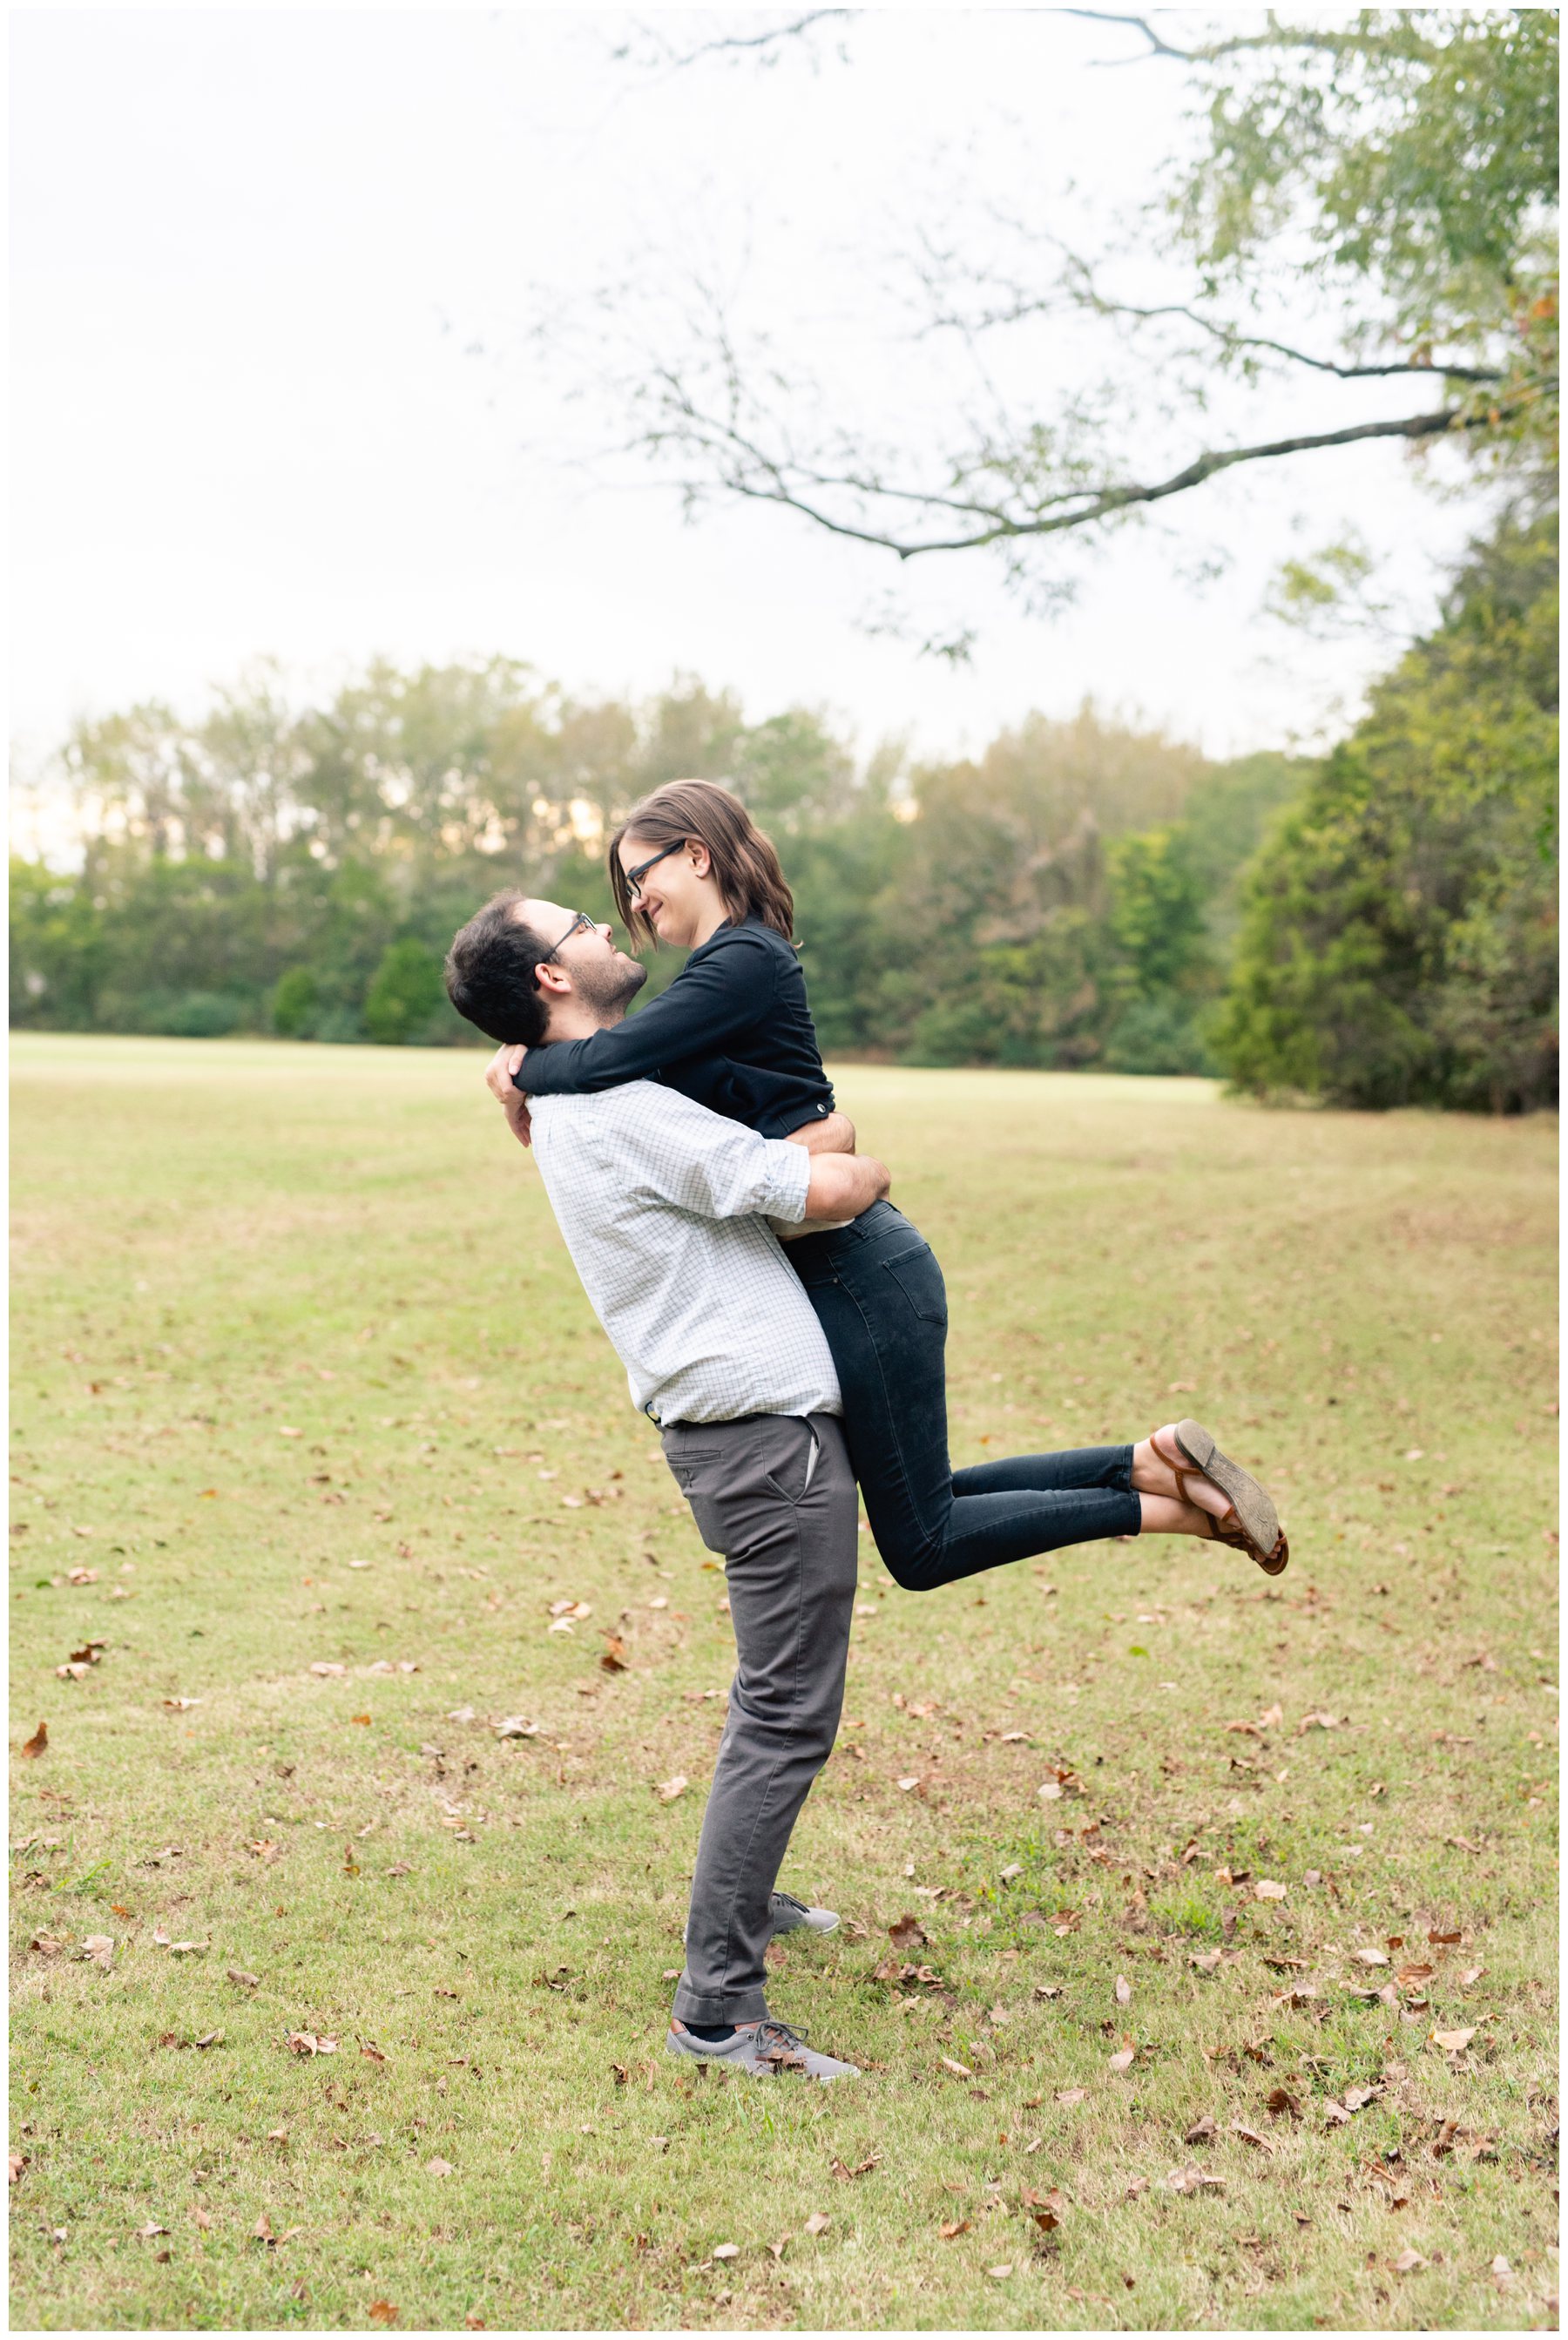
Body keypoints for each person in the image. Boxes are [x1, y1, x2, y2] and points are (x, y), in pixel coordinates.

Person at [475, 780, 1288, 1584]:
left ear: (695, 854)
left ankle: (1172, 1504)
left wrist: (527, 1064)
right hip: (837, 1269)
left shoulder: (743, 959)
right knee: (917, 1507)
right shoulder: (716, 973)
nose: (633, 904)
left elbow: (610, 1060)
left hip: (860, 1267)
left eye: (637, 877)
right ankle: (1146, 1465)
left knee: (922, 1545)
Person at [444, 893, 883, 2081]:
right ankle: (716, 2011)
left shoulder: (575, 1093)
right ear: (551, 976)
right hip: (760, 1443)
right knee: (787, 1712)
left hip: (738, 1437)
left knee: (771, 1699)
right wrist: (859, 1151)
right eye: (581, 920)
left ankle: (748, 1903)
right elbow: (822, 1184)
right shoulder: (618, 1104)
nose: (606, 925)